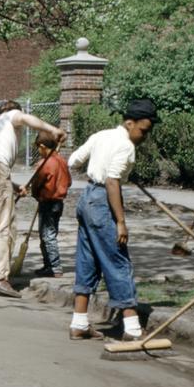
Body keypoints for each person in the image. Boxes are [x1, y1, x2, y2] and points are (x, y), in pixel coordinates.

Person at [67, 98, 159, 342]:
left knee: (87, 260)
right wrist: (121, 221)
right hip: (102, 202)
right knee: (117, 260)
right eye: (143, 131)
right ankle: (132, 329)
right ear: (130, 123)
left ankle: (79, 323)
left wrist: (101, 164)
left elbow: (73, 161)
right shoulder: (126, 145)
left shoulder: (102, 136)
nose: (144, 136)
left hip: (86, 198)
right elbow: (112, 181)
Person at [0, 100, 65, 298]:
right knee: (3, 226)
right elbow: (22, 118)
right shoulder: (10, 116)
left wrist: (12, 187)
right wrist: (52, 129)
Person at [30, 132, 71, 278]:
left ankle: (55, 267)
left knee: (48, 236)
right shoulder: (62, 161)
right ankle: (48, 265)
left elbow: (37, 183)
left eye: (38, 149)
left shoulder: (45, 164)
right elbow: (69, 181)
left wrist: (36, 193)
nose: (39, 152)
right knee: (46, 234)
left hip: (48, 203)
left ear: (42, 146)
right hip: (58, 203)